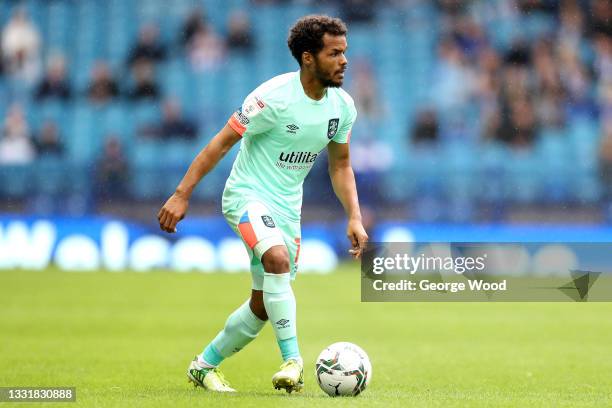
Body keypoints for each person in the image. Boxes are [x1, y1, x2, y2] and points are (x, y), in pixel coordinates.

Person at [157, 15, 368, 393]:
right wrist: (181, 193)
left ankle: (205, 365)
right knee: (277, 260)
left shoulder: (342, 107)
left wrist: (354, 215)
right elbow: (221, 143)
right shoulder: (271, 98)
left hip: (288, 209)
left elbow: (341, 164)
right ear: (308, 58)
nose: (344, 61)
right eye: (334, 53)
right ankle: (293, 361)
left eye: (345, 52)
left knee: (262, 306)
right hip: (247, 195)